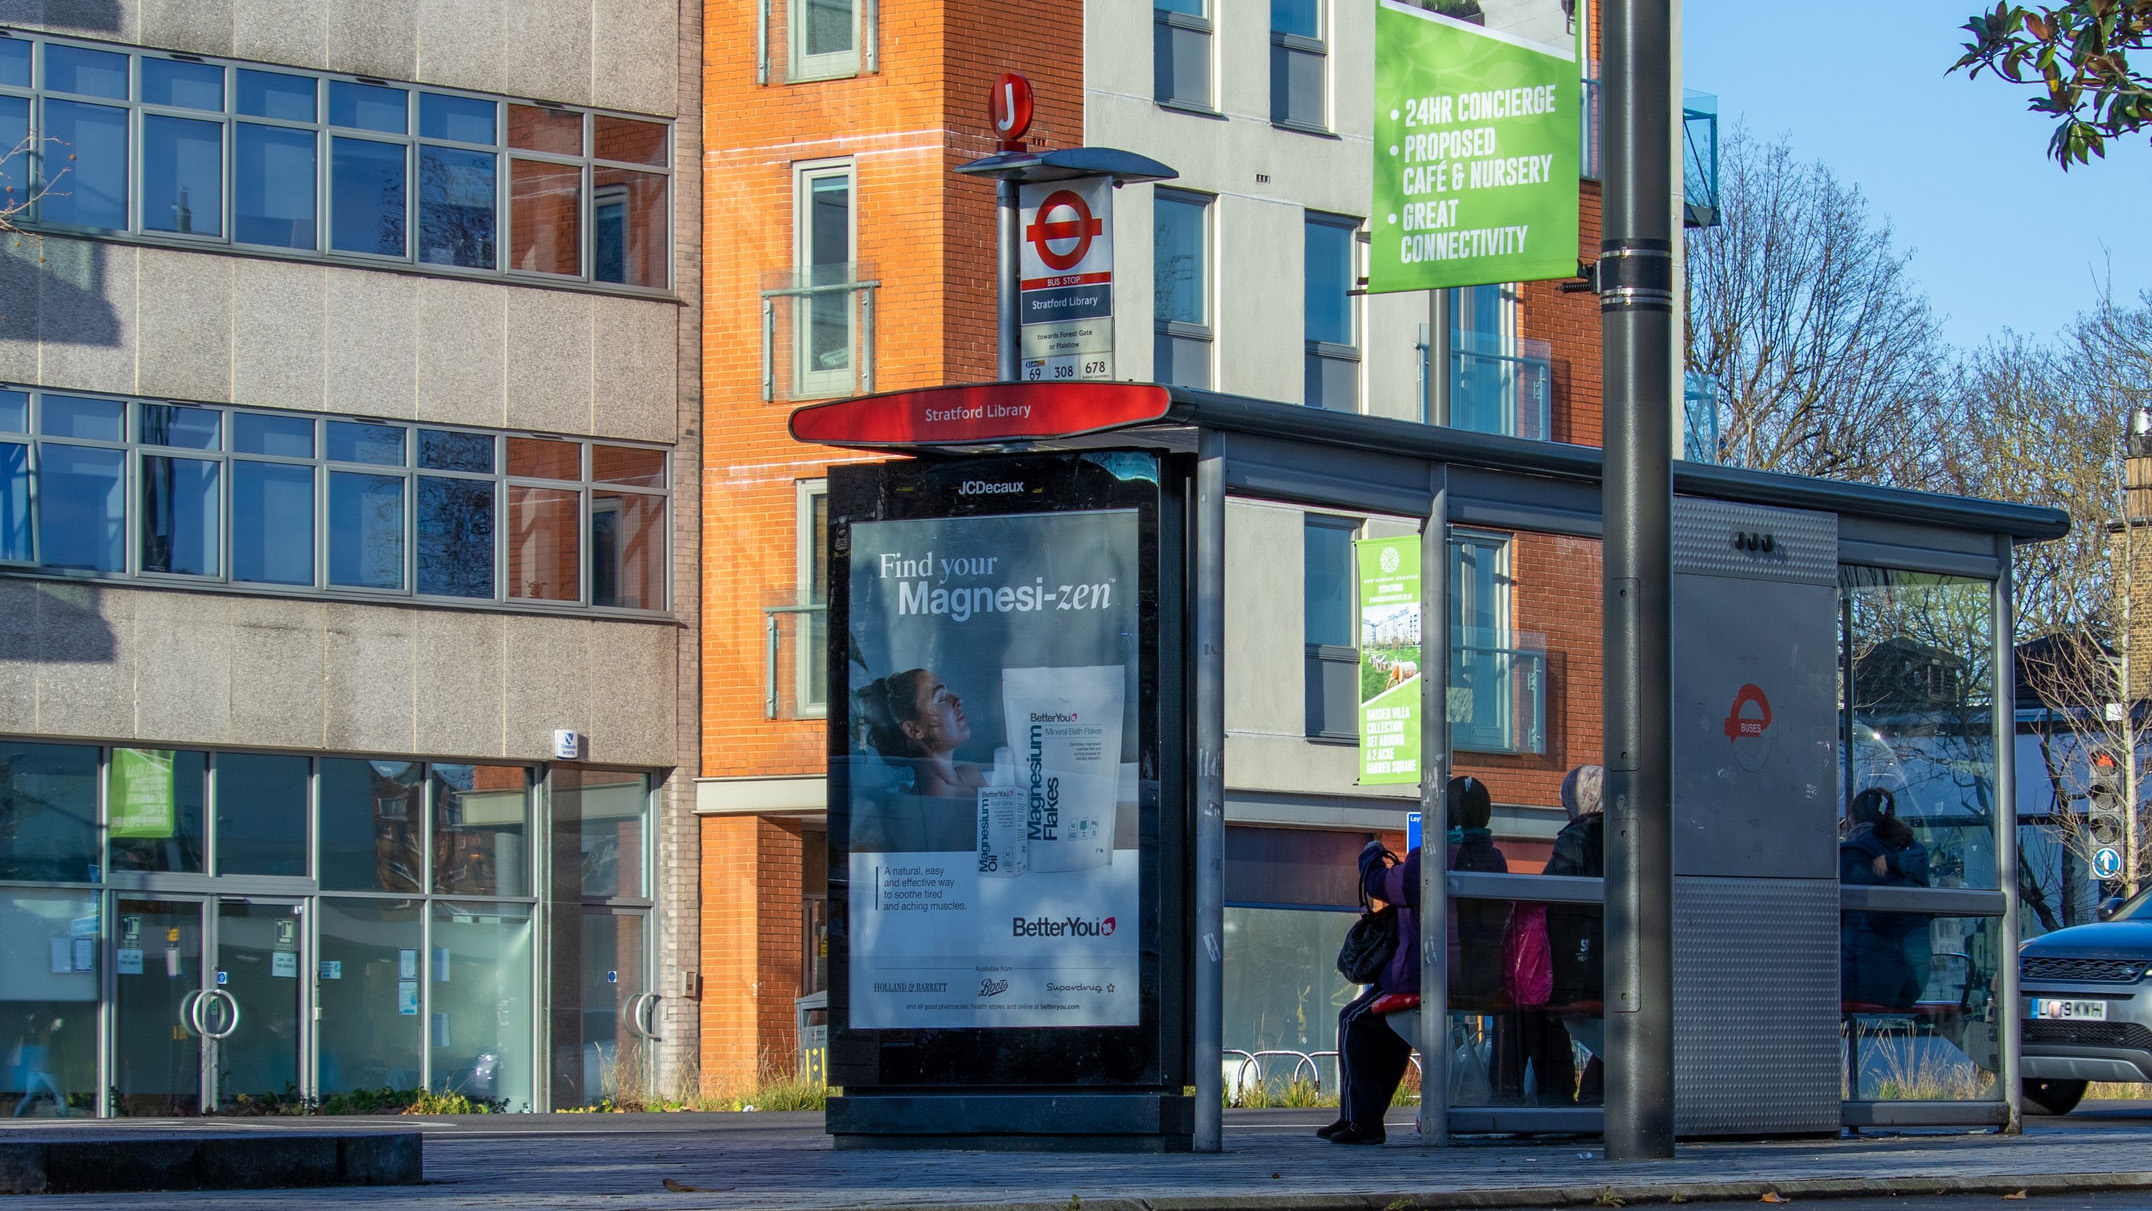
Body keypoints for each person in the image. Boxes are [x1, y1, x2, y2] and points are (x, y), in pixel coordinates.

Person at [1320, 775, 1491, 1145]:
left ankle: (1360, 1120)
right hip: (1477, 975)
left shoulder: (1434, 855)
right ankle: (1362, 1117)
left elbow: (1382, 884)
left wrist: (1370, 853)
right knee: (1388, 1027)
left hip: (1426, 973)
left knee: (1353, 1019)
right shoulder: (1491, 855)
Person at [1538, 763, 1605, 1104]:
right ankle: (1586, 1098)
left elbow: (1550, 896)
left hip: (1584, 972)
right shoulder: (1626, 836)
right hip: (1614, 969)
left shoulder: (1579, 837)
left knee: (1531, 1008)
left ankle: (1553, 1097)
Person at [1840, 786, 1932, 1009]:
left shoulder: (1850, 855)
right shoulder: (1915, 853)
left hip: (1864, 984)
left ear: (1852, 817)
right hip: (1912, 985)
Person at [855, 668, 988, 799]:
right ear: (914, 730)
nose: (958, 700)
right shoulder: (935, 797)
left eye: (948, 692)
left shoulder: (970, 774)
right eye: (941, 698)